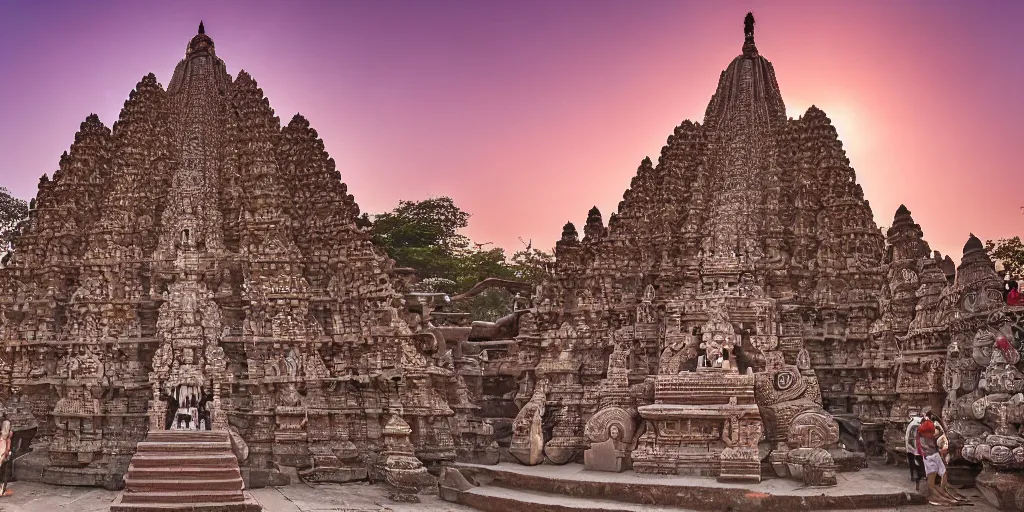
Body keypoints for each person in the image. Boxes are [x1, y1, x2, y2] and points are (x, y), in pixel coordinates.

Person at [917, 419, 965, 505]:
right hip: (929, 457)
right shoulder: (921, 436)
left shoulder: (935, 433)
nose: (930, 434)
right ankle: (934, 496)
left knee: (943, 473)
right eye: (929, 433)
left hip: (935, 455)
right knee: (932, 476)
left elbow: (941, 441)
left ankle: (944, 492)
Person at [904, 413, 925, 489]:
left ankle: (915, 477)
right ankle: (916, 478)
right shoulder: (916, 424)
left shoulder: (912, 424)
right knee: (918, 465)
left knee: (914, 465)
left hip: (913, 449)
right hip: (916, 449)